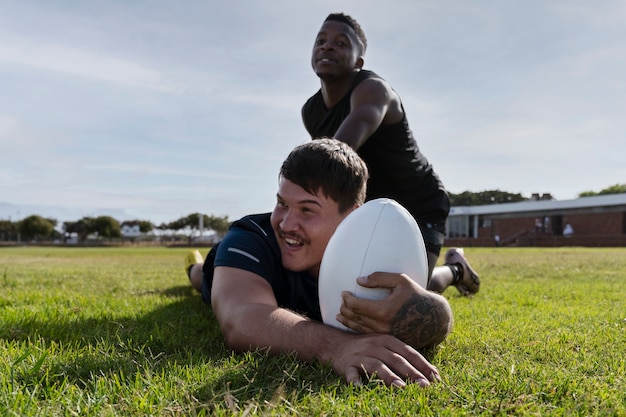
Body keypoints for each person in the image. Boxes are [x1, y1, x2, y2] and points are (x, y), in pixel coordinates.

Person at [185, 139, 452, 388]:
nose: (286, 223)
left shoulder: (368, 248)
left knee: (427, 284)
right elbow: (240, 317)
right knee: (200, 279)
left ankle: (455, 269)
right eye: (282, 203)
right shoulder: (250, 237)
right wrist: (335, 346)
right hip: (228, 269)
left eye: (307, 210)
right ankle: (192, 265)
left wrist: (436, 314)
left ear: (352, 218)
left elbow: (418, 299)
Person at [301, 13, 479, 296]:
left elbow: (333, 159)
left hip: (418, 202)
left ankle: (456, 269)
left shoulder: (373, 90)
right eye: (320, 41)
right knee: (363, 288)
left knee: (410, 294)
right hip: (371, 207)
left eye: (341, 42)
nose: (327, 46)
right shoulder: (310, 111)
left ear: (359, 62)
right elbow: (331, 178)